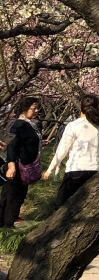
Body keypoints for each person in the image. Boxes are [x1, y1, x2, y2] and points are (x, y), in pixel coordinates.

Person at [43, 93, 99, 208]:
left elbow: (62, 149)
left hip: (75, 170)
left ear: (81, 107)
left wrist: (50, 169)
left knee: (62, 206)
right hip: (92, 169)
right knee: (84, 206)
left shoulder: (73, 125)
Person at [1, 97, 43, 228]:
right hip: (17, 166)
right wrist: (11, 166)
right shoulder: (19, 124)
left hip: (23, 165)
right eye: (33, 108)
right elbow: (12, 145)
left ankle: (6, 220)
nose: (36, 111)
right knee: (13, 195)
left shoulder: (29, 124)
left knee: (13, 194)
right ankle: (8, 224)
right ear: (25, 108)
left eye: (37, 108)